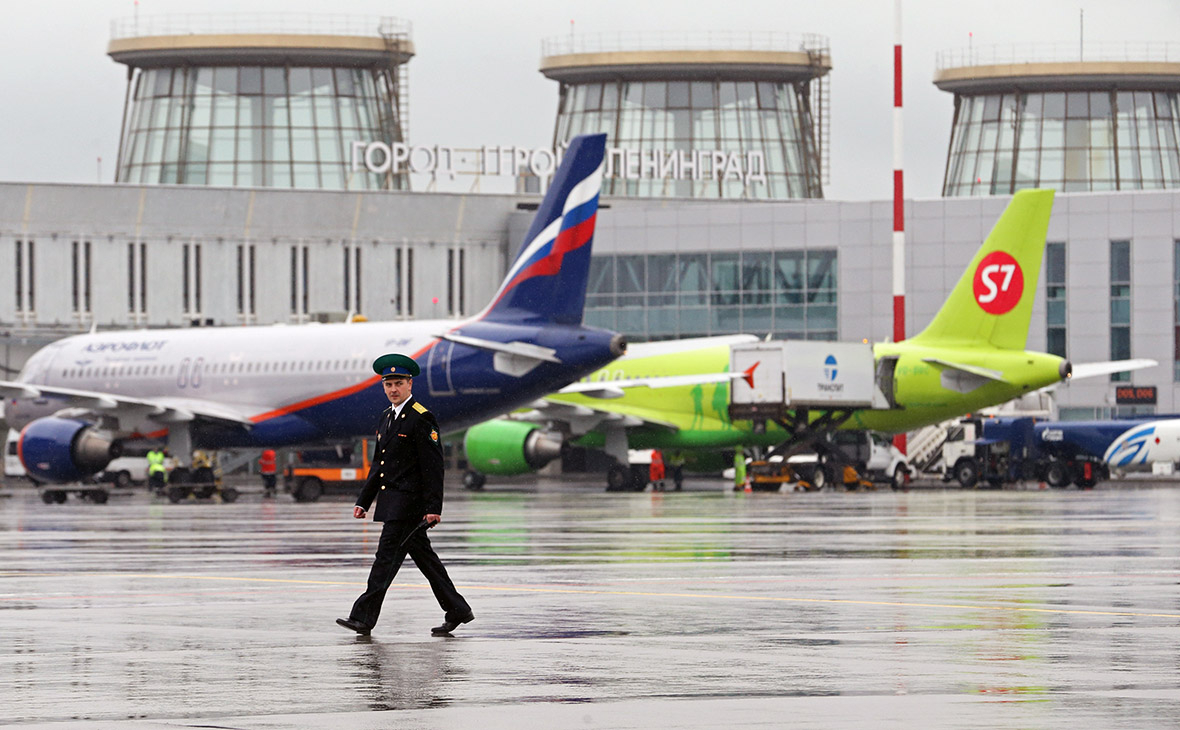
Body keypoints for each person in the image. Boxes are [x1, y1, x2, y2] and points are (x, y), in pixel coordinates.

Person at [336, 353, 473, 637]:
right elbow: (379, 465)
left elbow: (433, 467)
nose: (393, 389)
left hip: (409, 507)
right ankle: (458, 609)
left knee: (384, 560)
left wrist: (434, 507)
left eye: (399, 383)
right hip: (392, 505)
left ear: (410, 385)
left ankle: (362, 617)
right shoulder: (386, 417)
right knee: (427, 562)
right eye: (388, 385)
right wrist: (364, 500)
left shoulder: (421, 418)